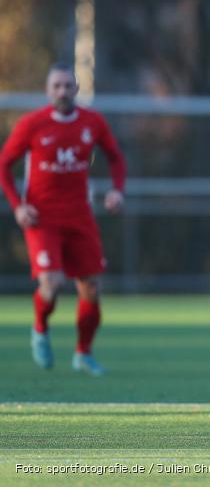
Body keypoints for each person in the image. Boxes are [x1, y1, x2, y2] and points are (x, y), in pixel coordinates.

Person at [0, 63, 126, 375]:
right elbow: (3, 166)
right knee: (52, 282)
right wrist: (18, 205)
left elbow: (116, 157)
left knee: (91, 289)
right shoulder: (32, 124)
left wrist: (117, 191)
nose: (62, 91)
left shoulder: (92, 122)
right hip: (42, 218)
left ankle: (83, 353)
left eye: (68, 86)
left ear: (77, 89)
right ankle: (40, 328)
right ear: (47, 90)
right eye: (56, 86)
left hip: (80, 217)